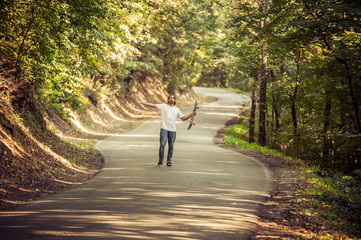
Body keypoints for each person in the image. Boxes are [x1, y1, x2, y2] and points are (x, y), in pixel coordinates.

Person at [138, 95, 194, 167]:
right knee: (162, 145)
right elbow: (152, 105)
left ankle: (169, 161)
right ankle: (161, 161)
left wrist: (191, 114)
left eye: (173, 98)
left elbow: (183, 118)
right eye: (170, 98)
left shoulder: (176, 110)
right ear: (168, 100)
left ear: (174, 100)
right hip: (164, 129)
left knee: (171, 146)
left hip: (172, 131)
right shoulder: (163, 106)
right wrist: (142, 102)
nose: (172, 99)